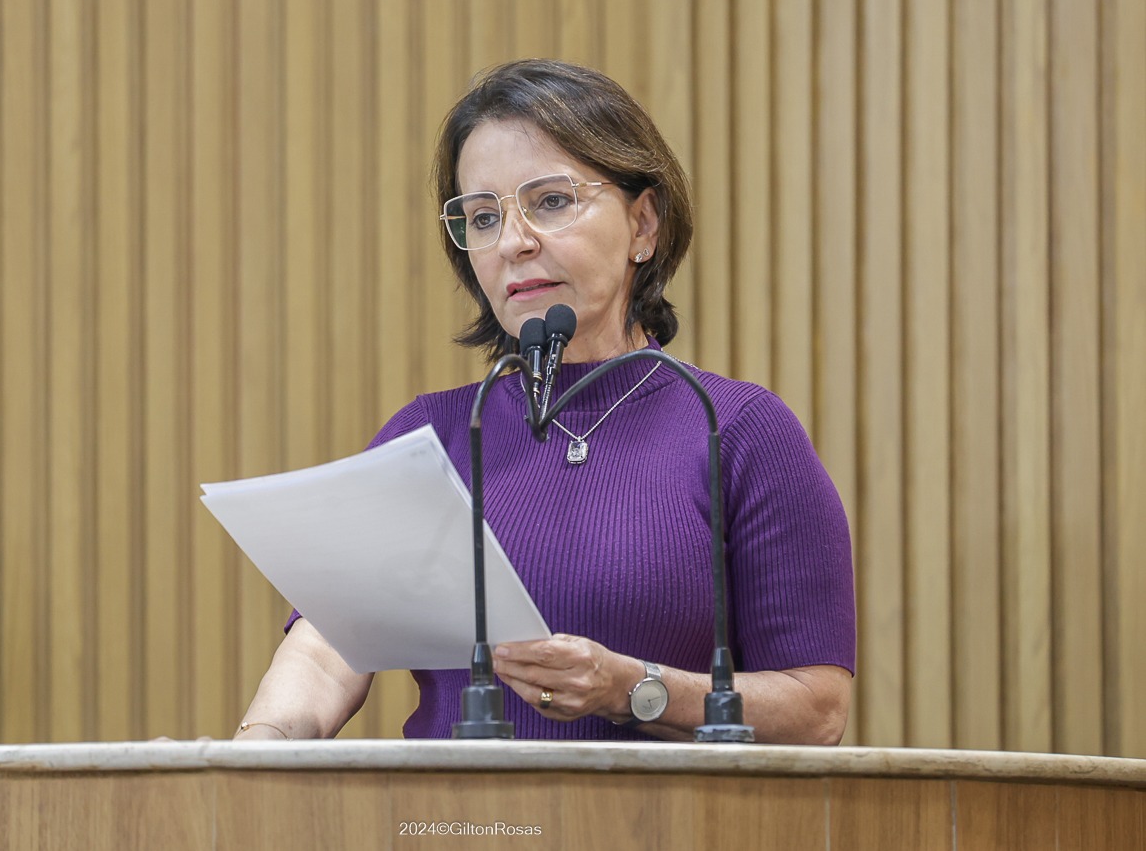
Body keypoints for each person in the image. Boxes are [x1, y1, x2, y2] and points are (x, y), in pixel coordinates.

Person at [233, 59, 855, 744]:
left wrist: (633, 690)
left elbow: (816, 711)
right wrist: (257, 745)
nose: (514, 242)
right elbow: (325, 651)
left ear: (644, 225)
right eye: (483, 216)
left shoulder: (735, 431)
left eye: (551, 202)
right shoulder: (434, 435)